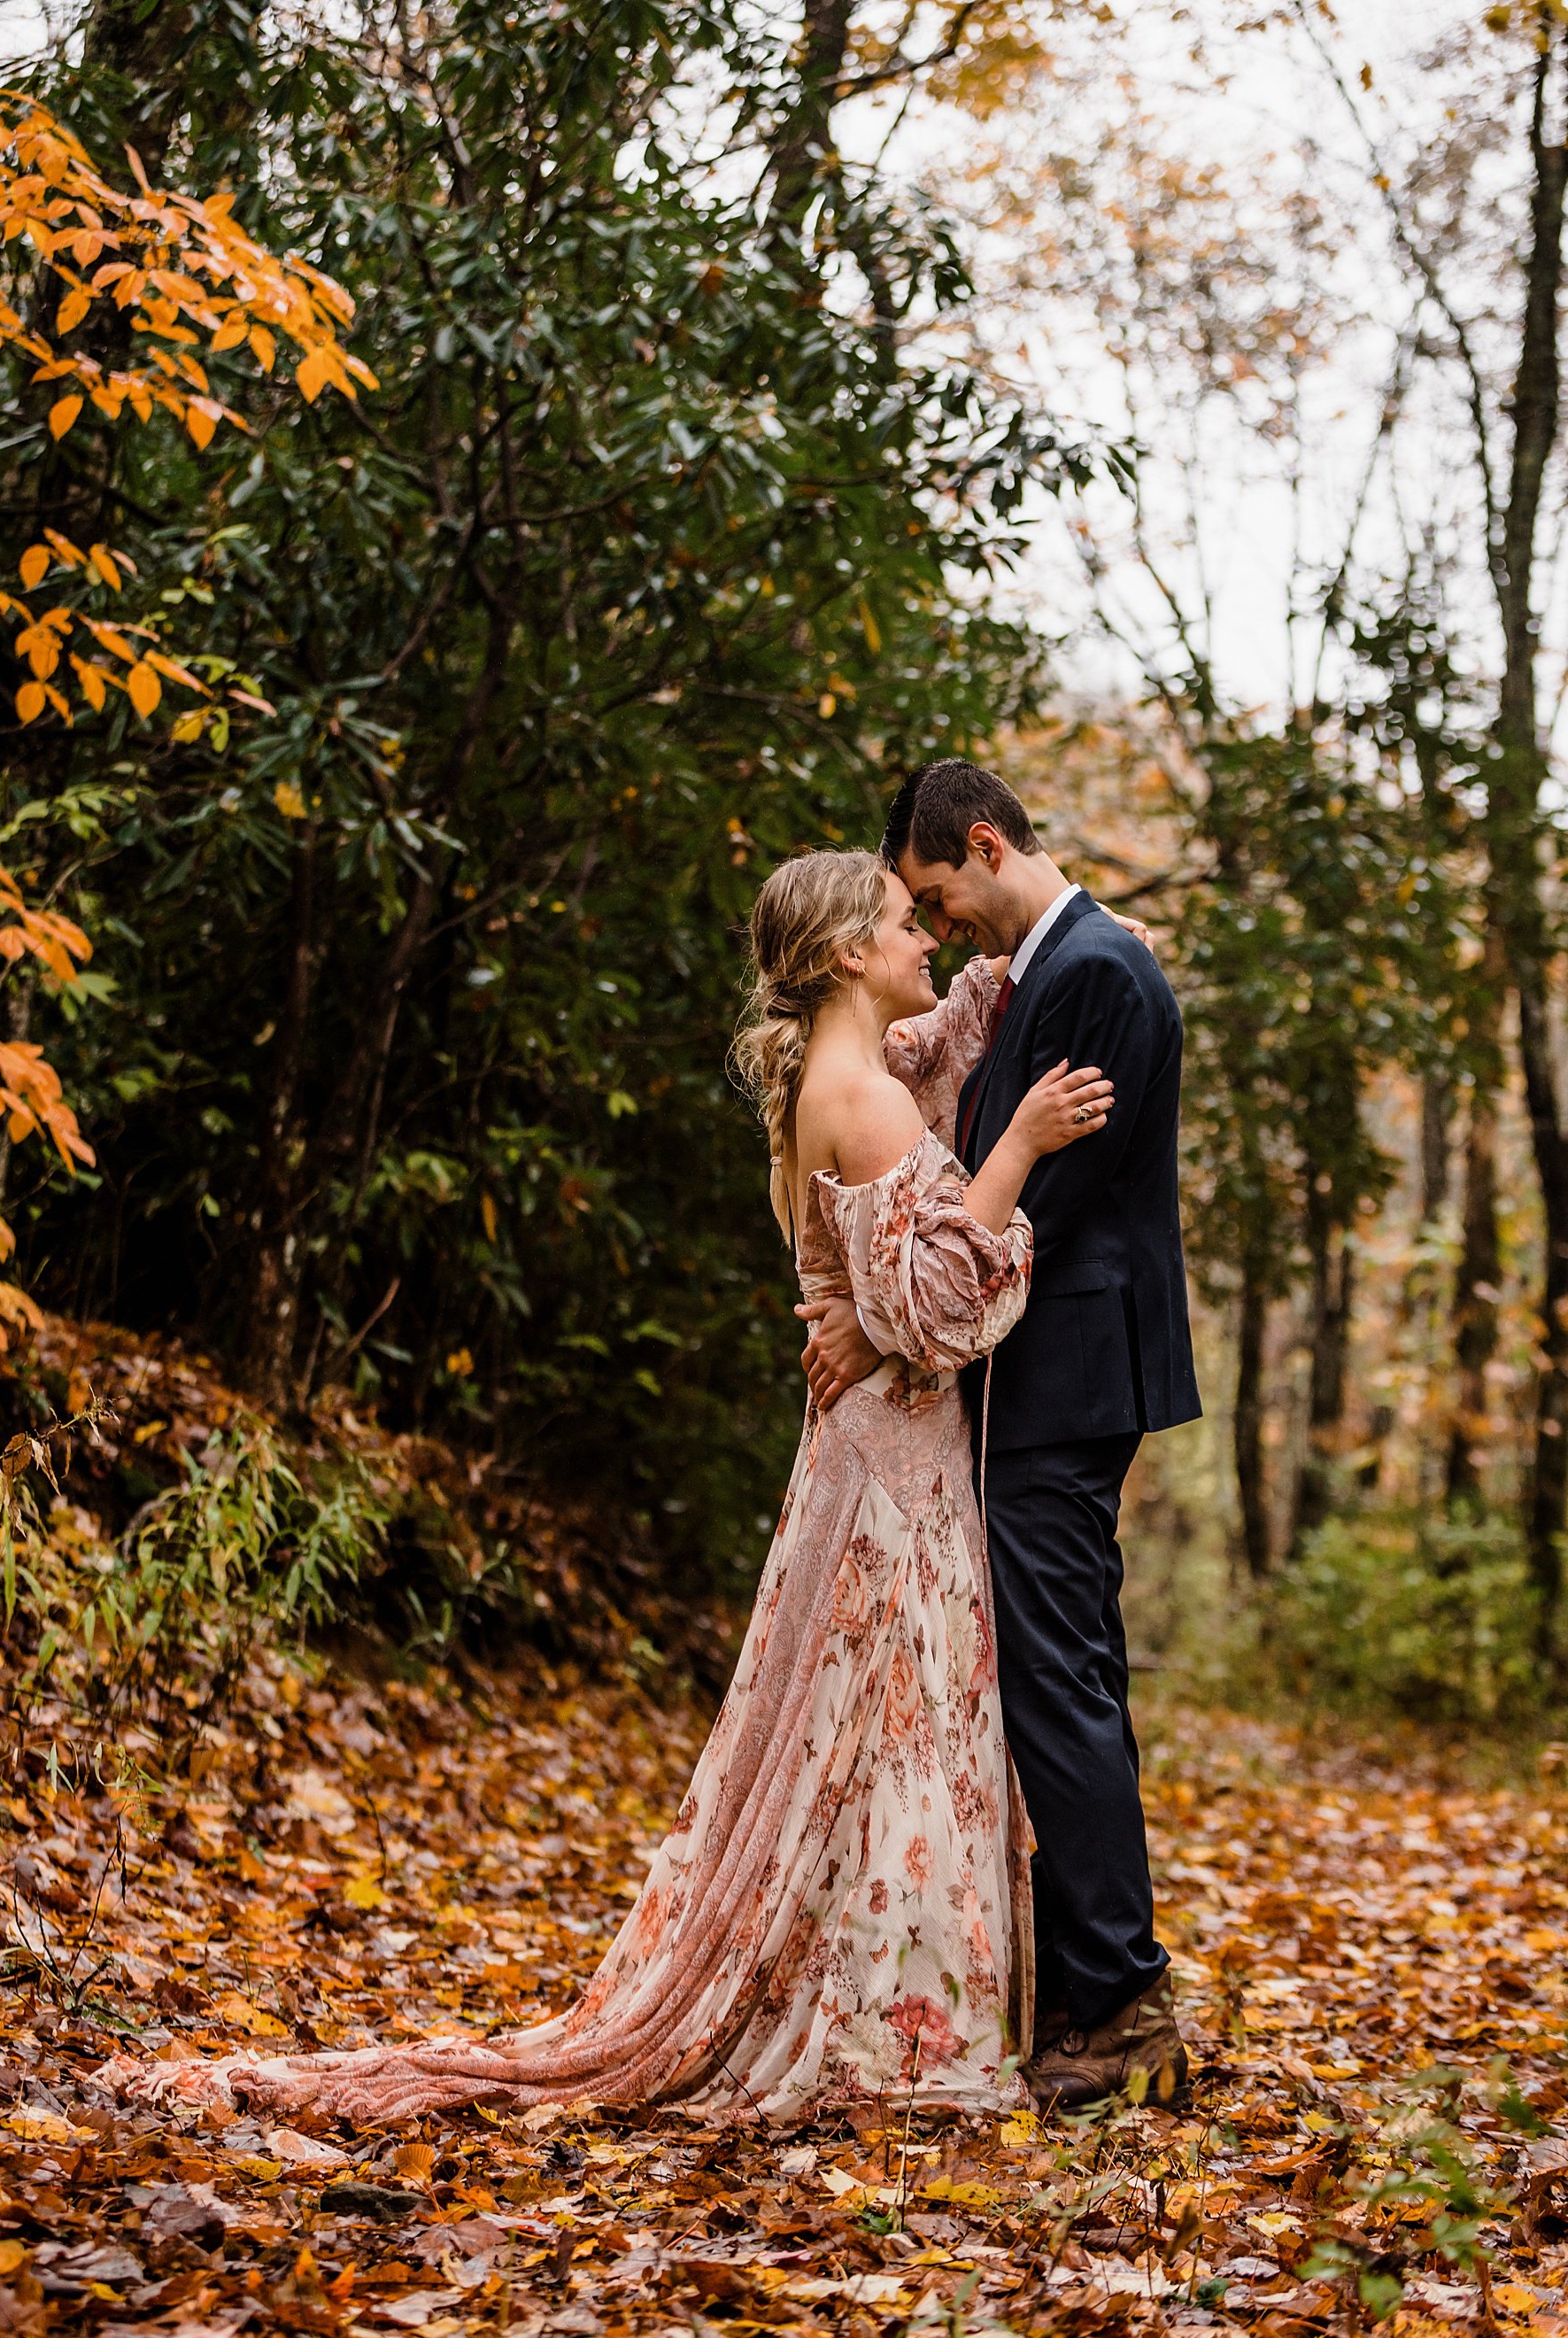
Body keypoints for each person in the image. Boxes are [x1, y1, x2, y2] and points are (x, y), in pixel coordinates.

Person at [97, 849, 1113, 2128]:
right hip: (894, 1474)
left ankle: (887, 2006)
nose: (928, 943)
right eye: (908, 926)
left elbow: (938, 1098)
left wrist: (1045, 918)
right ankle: (890, 2034)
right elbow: (946, 1305)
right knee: (882, 1733)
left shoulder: (850, 1073)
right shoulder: (862, 1096)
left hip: (869, 1458)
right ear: (851, 952)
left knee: (862, 1739)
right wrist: (1018, 1144)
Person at [800, 763, 1201, 2109]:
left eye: (934, 894)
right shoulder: (1052, 969)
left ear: (982, 846)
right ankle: (1096, 1988)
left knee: (1060, 1680)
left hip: (1068, 1374)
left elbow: (1050, 1209)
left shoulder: (1091, 974)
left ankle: (1123, 1999)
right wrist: (882, 1295)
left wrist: (895, 1318)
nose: (938, 923)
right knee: (1057, 1676)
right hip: (1044, 1379)